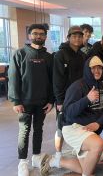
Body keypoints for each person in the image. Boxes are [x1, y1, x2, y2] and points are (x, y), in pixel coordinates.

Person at [45, 56, 103, 176]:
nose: (97, 71)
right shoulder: (77, 86)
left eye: (99, 68)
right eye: (93, 68)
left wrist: (98, 123)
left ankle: (56, 161)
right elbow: (68, 112)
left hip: (89, 130)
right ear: (87, 69)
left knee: (86, 167)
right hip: (72, 127)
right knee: (99, 144)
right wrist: (87, 99)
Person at [8, 24, 54, 176]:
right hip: (25, 102)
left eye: (42, 34)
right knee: (24, 131)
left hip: (42, 101)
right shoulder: (20, 54)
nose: (38, 36)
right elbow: (13, 78)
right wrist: (16, 101)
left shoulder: (49, 57)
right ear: (29, 36)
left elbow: (52, 80)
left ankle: (36, 156)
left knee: (39, 129)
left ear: (46, 37)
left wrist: (51, 101)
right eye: (35, 33)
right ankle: (23, 162)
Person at [52, 25, 86, 165]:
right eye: (74, 36)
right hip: (64, 98)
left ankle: (76, 149)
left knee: (77, 124)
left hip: (79, 96)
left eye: (79, 36)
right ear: (69, 38)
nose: (77, 38)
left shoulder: (82, 55)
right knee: (61, 127)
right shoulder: (60, 55)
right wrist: (59, 101)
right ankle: (58, 154)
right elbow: (57, 79)